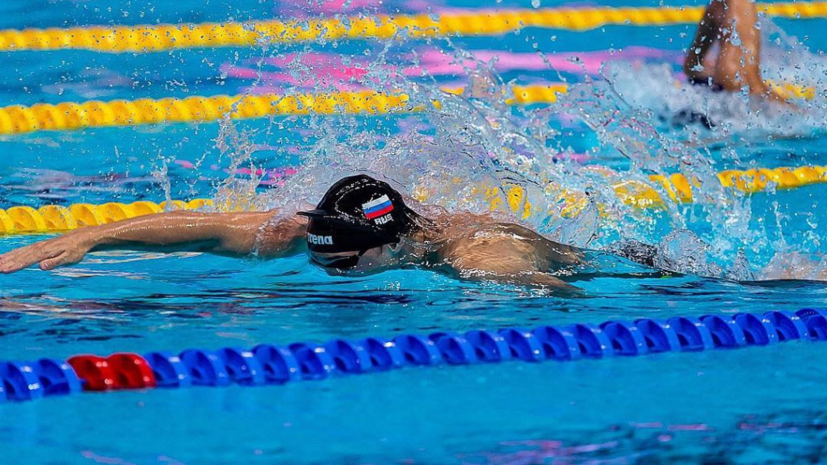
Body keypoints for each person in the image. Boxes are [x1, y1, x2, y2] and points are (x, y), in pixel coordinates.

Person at [0, 175, 612, 294]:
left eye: (342, 266)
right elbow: (202, 230)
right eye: (322, 254)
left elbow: (566, 295)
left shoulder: (476, 260)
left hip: (624, 264)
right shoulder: (316, 231)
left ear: (393, 246)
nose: (325, 268)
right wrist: (92, 238)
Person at [683, 0, 783, 101]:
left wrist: (715, 70)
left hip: (723, 79)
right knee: (791, 110)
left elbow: (691, 64)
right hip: (741, 81)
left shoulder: (716, 6)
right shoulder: (742, 3)